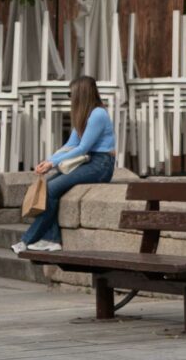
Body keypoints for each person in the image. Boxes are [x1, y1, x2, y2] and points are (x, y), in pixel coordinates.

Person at [13, 75, 114, 254]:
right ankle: (51, 239)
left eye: (71, 93)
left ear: (81, 94)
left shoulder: (98, 114)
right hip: (88, 161)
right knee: (48, 187)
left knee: (51, 189)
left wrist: (53, 163)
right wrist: (48, 160)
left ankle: (30, 239)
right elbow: (70, 145)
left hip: (100, 164)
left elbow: (83, 148)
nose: (70, 98)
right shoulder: (84, 114)